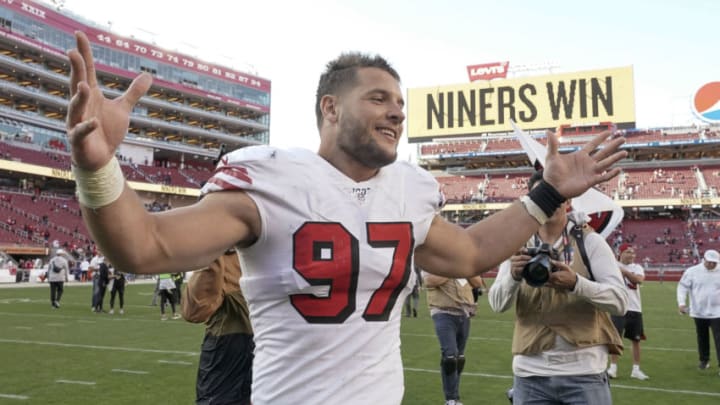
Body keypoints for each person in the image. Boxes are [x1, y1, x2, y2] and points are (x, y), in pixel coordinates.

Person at [66, 30, 626, 404]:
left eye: (401, 104)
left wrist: (548, 193)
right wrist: (99, 168)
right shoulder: (270, 178)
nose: (398, 113)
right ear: (329, 108)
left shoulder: (408, 189)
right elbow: (145, 248)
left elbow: (473, 254)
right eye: (379, 99)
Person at [488, 170, 628, 405]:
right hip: (530, 374)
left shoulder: (590, 242)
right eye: (542, 197)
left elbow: (620, 302)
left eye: (556, 196)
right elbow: (497, 304)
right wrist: (513, 276)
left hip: (584, 373)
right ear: (530, 204)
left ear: (569, 200)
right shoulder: (517, 244)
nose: (550, 203)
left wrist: (576, 284)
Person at [182, 248, 253, 405]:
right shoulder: (225, 257)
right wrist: (214, 251)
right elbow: (194, 312)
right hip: (230, 356)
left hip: (270, 356)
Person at [423, 271, 485, 405]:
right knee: (450, 356)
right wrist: (453, 269)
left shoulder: (465, 263)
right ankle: (450, 399)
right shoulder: (435, 262)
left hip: (464, 313)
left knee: (459, 358)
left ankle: (455, 397)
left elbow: (477, 283)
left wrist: (463, 268)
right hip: (442, 311)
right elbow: (429, 281)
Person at [607, 243, 649, 380]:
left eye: (633, 252)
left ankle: (636, 369)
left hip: (635, 308)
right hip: (618, 307)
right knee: (615, 339)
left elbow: (638, 280)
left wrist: (624, 272)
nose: (632, 255)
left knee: (636, 340)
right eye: (628, 252)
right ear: (621, 253)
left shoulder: (637, 267)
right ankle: (612, 368)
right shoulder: (612, 265)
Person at [677, 249, 720, 370]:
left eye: (714, 263)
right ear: (704, 260)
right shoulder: (692, 271)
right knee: (702, 337)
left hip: (718, 312)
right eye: (709, 262)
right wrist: (681, 303)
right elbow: (682, 287)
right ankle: (704, 360)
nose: (712, 264)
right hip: (698, 311)